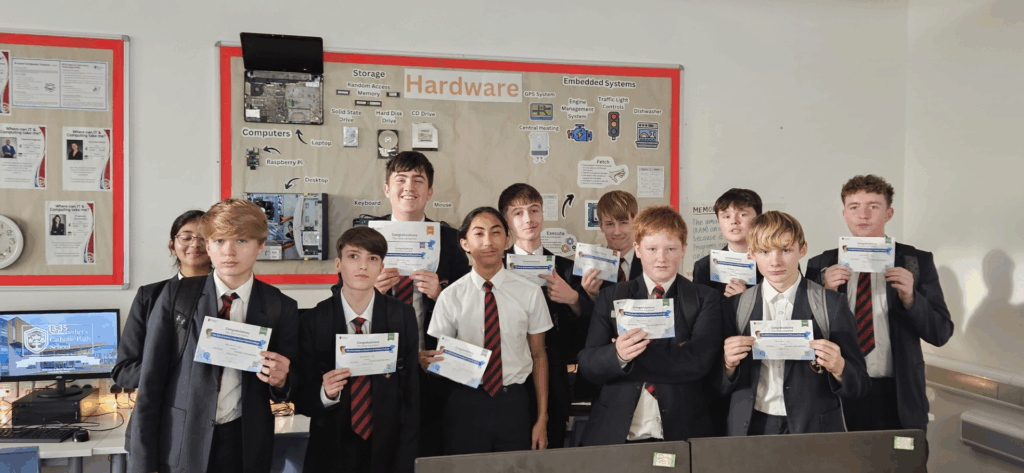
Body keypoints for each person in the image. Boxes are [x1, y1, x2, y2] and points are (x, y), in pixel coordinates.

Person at [130, 198, 299, 473]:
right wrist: (143, 465)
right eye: (220, 241)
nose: (229, 251)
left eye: (241, 240)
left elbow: (291, 384)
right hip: (182, 441)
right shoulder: (176, 297)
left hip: (244, 444)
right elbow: (150, 385)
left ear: (260, 245)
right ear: (208, 246)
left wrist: (282, 380)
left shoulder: (280, 306)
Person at [806, 175, 953, 433]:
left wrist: (911, 299)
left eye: (873, 206)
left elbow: (940, 333)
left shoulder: (915, 261)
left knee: (901, 456)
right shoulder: (820, 264)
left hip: (897, 395)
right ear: (844, 214)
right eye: (854, 207)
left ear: (889, 213)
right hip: (839, 390)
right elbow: (806, 334)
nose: (863, 214)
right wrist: (825, 293)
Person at [577, 206, 723, 445]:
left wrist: (625, 361)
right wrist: (618, 354)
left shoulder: (704, 298)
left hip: (681, 430)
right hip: (616, 432)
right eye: (652, 249)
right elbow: (588, 364)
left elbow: (697, 363)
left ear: (683, 249)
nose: (661, 258)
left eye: (670, 249)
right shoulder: (611, 296)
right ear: (637, 249)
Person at [717, 211, 870, 436]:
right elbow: (717, 386)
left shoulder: (832, 304)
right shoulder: (735, 307)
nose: (775, 261)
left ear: (803, 249)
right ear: (751, 254)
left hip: (813, 429)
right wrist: (728, 365)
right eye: (765, 252)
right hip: (752, 427)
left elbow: (860, 385)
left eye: (785, 250)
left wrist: (840, 367)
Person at [427, 207, 552, 454]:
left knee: (515, 468)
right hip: (465, 402)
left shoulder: (530, 293)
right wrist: (428, 361)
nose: (488, 242)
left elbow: (539, 355)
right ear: (464, 243)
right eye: (479, 234)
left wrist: (542, 418)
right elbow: (440, 357)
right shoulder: (450, 296)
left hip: (513, 402)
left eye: (496, 233)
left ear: (507, 240)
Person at [294, 226, 419, 473]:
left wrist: (407, 457)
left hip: (388, 446)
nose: (363, 266)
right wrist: (325, 393)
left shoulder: (402, 315)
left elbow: (411, 393)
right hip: (331, 449)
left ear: (381, 268)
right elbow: (301, 398)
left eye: (372, 258)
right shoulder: (313, 320)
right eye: (353, 256)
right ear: (338, 264)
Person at [373, 151, 470, 456]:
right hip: (378, 367)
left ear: (429, 192)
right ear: (387, 189)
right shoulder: (365, 238)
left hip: (432, 368)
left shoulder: (451, 240)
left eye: (418, 180)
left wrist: (441, 295)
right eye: (400, 180)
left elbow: (471, 304)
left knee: (431, 451)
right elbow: (341, 297)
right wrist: (369, 291)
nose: (409, 187)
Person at [498, 183, 593, 449]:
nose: (528, 219)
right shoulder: (496, 268)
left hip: (554, 377)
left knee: (550, 452)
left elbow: (589, 328)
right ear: (506, 221)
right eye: (518, 213)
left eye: (534, 210)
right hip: (506, 376)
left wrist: (574, 300)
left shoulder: (567, 268)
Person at [113, 209, 213, 389]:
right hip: (165, 403)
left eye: (204, 238)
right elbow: (124, 371)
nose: (195, 244)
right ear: (172, 246)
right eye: (186, 237)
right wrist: (176, 371)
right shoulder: (149, 296)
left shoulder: (232, 295)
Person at [693, 188, 765, 298]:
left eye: (743, 215)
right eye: (726, 216)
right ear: (719, 222)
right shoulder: (705, 267)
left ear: (758, 219)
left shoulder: (774, 263)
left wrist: (747, 299)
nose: (734, 221)